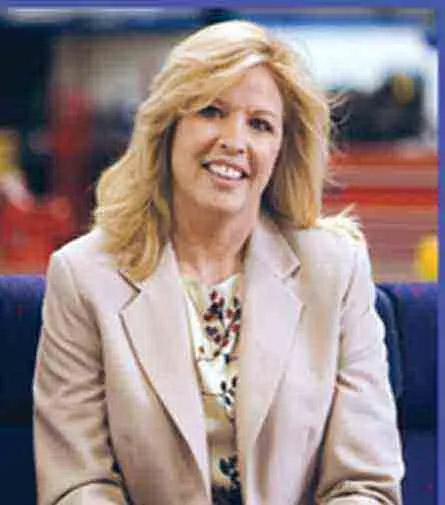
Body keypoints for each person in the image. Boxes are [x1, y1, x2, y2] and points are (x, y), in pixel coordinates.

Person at [33, 20, 404, 505]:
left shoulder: (336, 271)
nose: (234, 140)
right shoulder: (83, 277)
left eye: (260, 124)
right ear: (168, 127)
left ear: (281, 150)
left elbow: (366, 484)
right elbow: (77, 484)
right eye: (211, 111)